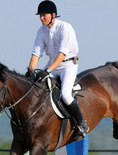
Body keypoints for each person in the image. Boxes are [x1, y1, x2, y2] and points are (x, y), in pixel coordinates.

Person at [27, 0, 89, 141]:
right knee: (36, 87)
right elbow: (36, 53)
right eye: (40, 15)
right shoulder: (41, 31)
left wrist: (47, 70)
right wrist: (30, 71)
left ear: (53, 15)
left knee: (66, 95)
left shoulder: (65, 28)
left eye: (44, 15)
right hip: (52, 65)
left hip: (68, 65)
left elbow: (62, 55)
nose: (41, 18)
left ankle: (82, 124)